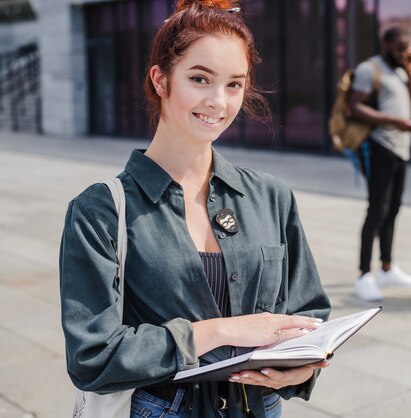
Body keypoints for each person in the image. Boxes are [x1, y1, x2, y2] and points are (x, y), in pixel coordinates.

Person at [59, 1, 331, 417]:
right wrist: (218, 331)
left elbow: (308, 311)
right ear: (161, 79)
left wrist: (299, 369)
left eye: (234, 84)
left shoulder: (271, 196)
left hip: (260, 407)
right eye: (200, 78)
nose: (218, 102)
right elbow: (92, 356)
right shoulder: (100, 211)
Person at [348, 27, 411, 302]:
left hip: (401, 150)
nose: (404, 53)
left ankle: (387, 268)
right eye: (399, 48)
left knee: (393, 209)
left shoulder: (402, 71)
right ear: (386, 45)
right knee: (376, 210)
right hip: (379, 147)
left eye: (407, 48)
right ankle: (364, 275)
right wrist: (394, 122)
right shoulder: (370, 69)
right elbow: (354, 107)